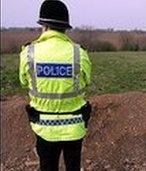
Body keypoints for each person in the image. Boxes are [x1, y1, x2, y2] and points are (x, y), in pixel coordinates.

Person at [19, 0, 92, 170]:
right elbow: (87, 81)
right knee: (73, 167)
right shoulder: (79, 53)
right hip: (75, 127)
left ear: (43, 26)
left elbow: (23, 82)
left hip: (44, 127)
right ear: (66, 28)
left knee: (47, 167)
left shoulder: (28, 52)